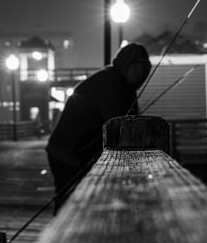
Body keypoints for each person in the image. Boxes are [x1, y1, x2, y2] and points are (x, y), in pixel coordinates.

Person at [46, 42, 152, 210]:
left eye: (145, 69)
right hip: (67, 152)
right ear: (126, 65)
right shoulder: (111, 84)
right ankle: (61, 234)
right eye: (137, 67)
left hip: (77, 153)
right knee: (69, 202)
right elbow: (120, 125)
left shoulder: (124, 86)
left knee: (76, 200)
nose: (141, 73)